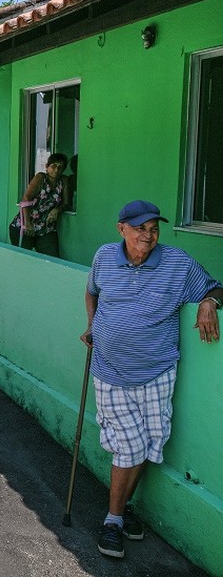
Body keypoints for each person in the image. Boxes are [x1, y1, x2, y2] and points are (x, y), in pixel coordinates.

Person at [80, 199, 221, 560]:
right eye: (141, 227)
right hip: (110, 371)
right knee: (129, 447)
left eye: (154, 227)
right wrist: (93, 326)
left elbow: (215, 287)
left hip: (157, 372)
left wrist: (208, 303)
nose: (149, 234)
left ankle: (122, 507)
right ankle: (112, 521)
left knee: (149, 443)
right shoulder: (103, 257)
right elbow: (92, 291)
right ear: (121, 229)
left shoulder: (176, 263)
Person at [9, 152, 69, 257]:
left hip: (46, 229)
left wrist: (57, 210)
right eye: (53, 166)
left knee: (53, 260)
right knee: (22, 259)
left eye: (60, 167)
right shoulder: (41, 178)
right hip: (25, 226)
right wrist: (27, 223)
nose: (56, 170)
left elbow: (67, 203)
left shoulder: (63, 181)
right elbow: (26, 199)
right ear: (47, 167)